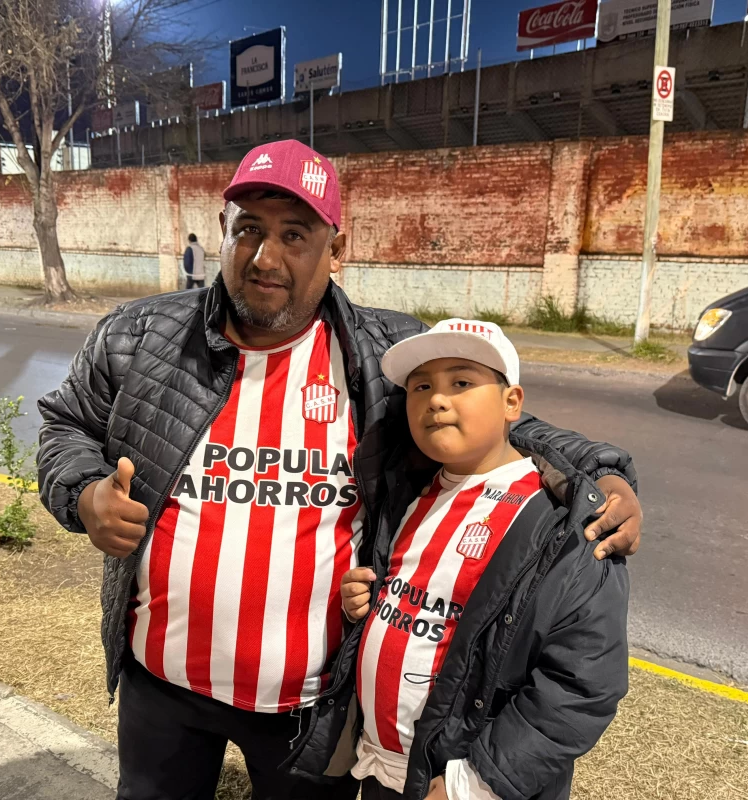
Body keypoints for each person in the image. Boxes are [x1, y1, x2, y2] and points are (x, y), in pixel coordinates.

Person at [36, 140, 642, 800]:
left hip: (311, 704)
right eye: (249, 230)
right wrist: (83, 495)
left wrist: (603, 473)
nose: (266, 256)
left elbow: (492, 420)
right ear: (222, 232)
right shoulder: (138, 335)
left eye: (295, 235)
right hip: (161, 687)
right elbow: (66, 424)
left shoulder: (385, 357)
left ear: (337, 248)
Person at [330, 319, 628, 800]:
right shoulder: (407, 492)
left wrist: (473, 784)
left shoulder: (564, 525)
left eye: (462, 382)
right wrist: (363, 603)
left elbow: (581, 684)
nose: (437, 399)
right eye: (421, 386)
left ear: (512, 402)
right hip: (383, 771)